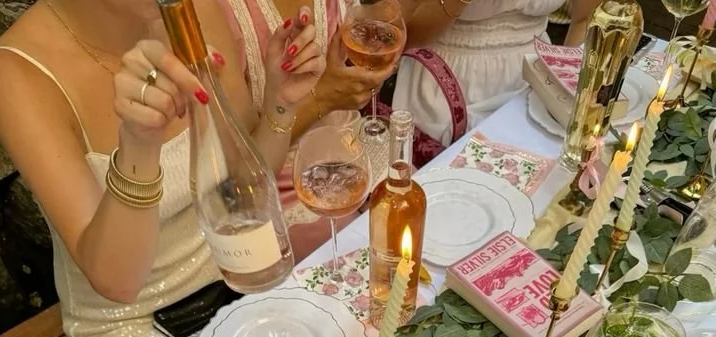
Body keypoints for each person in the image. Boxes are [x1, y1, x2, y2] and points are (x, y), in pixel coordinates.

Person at [0, 0, 324, 337]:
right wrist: (139, 147)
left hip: (235, 272)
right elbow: (117, 281)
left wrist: (281, 103)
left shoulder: (191, 9)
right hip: (137, 321)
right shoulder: (15, 72)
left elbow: (240, 183)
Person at [217, 0, 395, 262]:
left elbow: (383, 24)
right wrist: (323, 98)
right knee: (356, 260)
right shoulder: (218, 13)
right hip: (282, 185)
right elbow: (240, 169)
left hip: (350, 143)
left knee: (418, 212)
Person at [392, 0, 600, 149]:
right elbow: (401, 31)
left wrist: (562, 93)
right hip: (444, 86)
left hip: (535, 84)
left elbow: (586, 19)